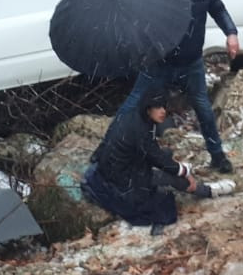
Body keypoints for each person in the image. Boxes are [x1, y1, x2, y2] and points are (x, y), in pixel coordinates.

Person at [117, 0, 241, 174]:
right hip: (159, 63)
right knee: (134, 103)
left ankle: (218, 157)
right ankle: (108, 148)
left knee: (204, 109)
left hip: (192, 63)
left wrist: (231, 33)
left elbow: (219, 10)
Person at [82, 90, 234, 234]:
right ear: (148, 108)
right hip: (122, 182)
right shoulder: (140, 131)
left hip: (112, 169)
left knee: (167, 156)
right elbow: (157, 158)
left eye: (164, 106)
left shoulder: (130, 117)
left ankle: (198, 187)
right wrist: (184, 170)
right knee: (170, 178)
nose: (163, 111)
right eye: (158, 107)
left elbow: (152, 153)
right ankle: (206, 191)